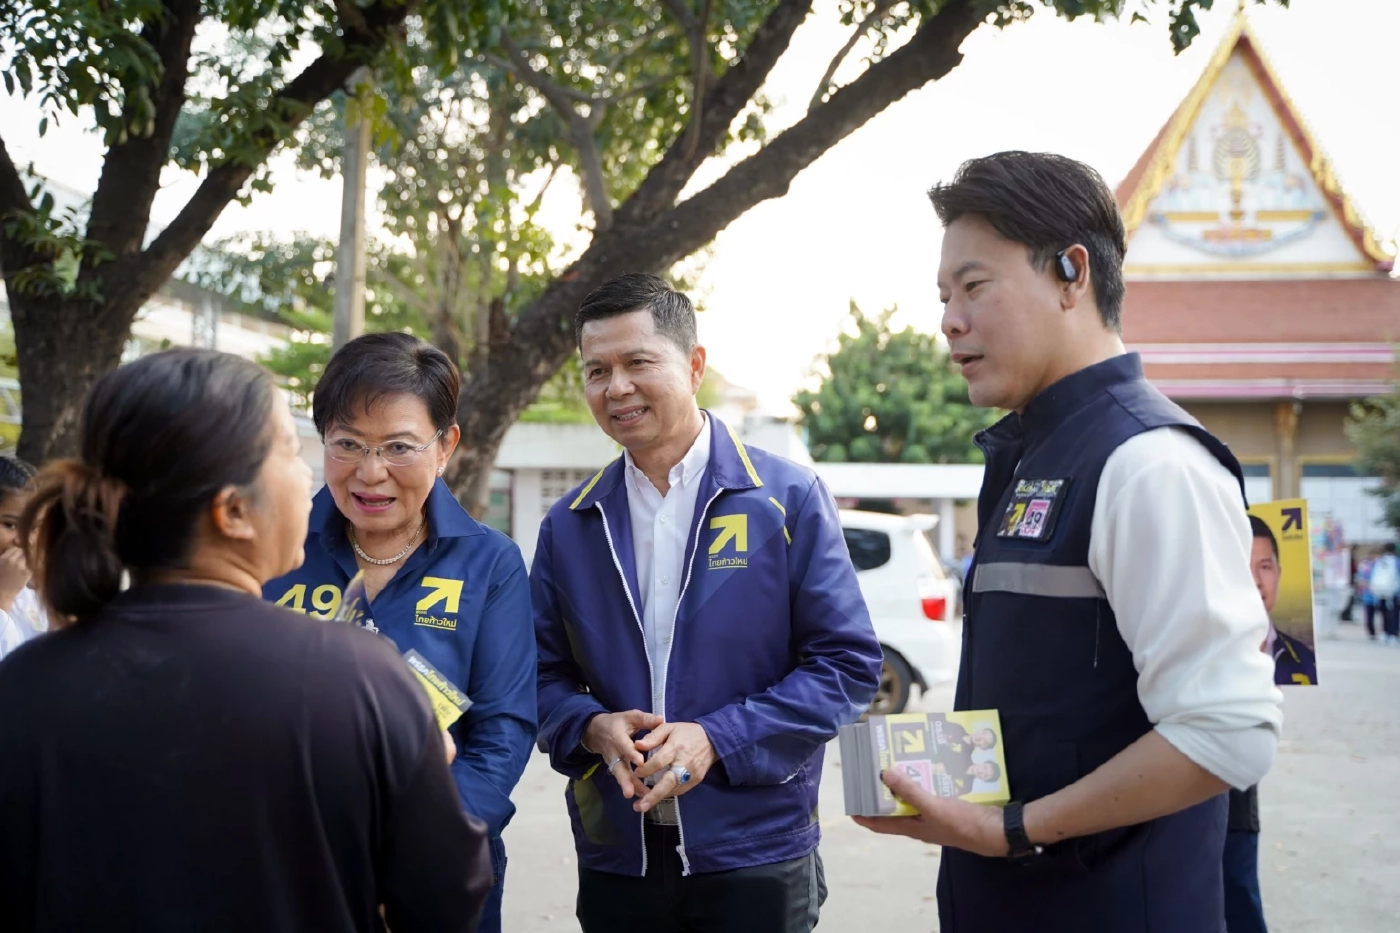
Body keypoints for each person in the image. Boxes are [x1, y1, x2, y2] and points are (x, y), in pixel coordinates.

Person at [853, 152, 1283, 932]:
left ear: (1071, 273)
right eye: (944, 295)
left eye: (974, 286)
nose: (949, 319)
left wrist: (1009, 827)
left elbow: (1228, 730)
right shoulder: (1035, 452)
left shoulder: (1148, 462)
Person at [0, 349, 491, 932]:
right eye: (288, 451)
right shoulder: (361, 679)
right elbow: (446, 901)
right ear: (233, 511)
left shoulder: (24, 684)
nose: (309, 473)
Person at [532, 273, 883, 933]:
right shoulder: (571, 523)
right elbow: (537, 673)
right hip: (619, 854)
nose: (617, 387)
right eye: (597, 370)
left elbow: (846, 664)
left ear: (694, 366)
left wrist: (717, 738)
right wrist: (587, 723)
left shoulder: (785, 498)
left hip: (753, 850)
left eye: (639, 362)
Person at [264, 333, 537, 933]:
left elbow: (502, 731)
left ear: (446, 447)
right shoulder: (274, 548)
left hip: (438, 870)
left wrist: (424, 853)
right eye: (348, 444)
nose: (370, 472)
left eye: (398, 447)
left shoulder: (489, 564)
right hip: (292, 867)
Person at [1249, 515, 1316, 685]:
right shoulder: (1200, 657)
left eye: (1264, 567)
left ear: (1278, 573)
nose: (1256, 581)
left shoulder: (1304, 659)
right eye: (1243, 567)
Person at [0, 456, 46, 660]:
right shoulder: (9, 590)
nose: (24, 541)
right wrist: (3, 596)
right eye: (10, 525)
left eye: (33, 528)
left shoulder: (29, 598)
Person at [1369, 542, 1400, 644]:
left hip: (1380, 591)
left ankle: (1384, 632)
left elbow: (1372, 575)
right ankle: (1393, 633)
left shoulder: (1378, 561)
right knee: (1394, 613)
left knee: (1382, 613)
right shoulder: (1396, 561)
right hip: (1393, 591)